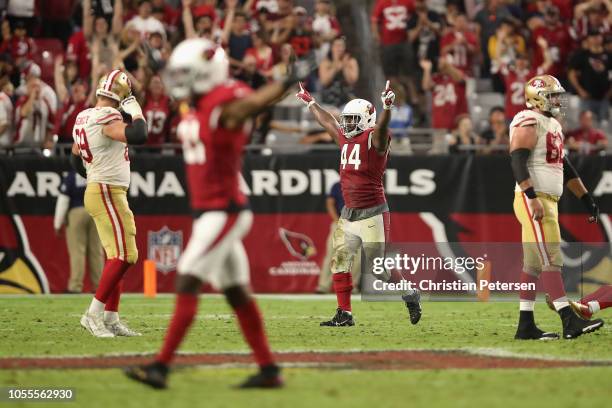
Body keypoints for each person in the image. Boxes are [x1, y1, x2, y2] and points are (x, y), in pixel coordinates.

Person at [124, 37, 311, 390]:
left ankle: (159, 367)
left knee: (188, 278)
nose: (178, 81)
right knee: (237, 293)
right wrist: (159, 64)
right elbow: (185, 85)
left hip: (224, 210)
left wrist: (285, 82)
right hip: (212, 210)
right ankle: (269, 370)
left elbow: (251, 104)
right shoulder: (199, 98)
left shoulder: (226, 103)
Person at [296, 81, 422, 327]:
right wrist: (311, 102)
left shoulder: (375, 139)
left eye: (354, 120)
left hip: (373, 212)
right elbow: (328, 122)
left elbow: (382, 129)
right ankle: (345, 313)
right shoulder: (345, 138)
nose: (348, 124)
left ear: (366, 121)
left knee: (378, 269)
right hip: (349, 212)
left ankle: (410, 293)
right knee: (339, 261)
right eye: (348, 119)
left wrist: (387, 108)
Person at [509, 74, 604, 340]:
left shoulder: (552, 124)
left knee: (533, 265)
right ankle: (568, 320)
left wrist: (586, 199)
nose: (557, 100)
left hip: (546, 199)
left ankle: (525, 325)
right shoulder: (528, 119)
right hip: (534, 197)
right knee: (551, 259)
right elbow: (517, 159)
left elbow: (566, 168)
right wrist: (531, 196)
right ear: (537, 97)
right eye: (552, 95)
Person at [73, 69, 148, 338]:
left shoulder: (83, 116)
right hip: (106, 190)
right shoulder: (108, 115)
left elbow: (74, 158)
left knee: (117, 257)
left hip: (101, 188)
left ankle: (111, 318)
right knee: (126, 256)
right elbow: (139, 134)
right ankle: (92, 315)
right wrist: (135, 109)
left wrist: (95, 174)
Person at [54, 171, 104, 294]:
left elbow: (63, 199)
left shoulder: (72, 175)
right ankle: (100, 286)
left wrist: (57, 223)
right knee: (96, 251)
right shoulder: (97, 172)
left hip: (76, 211)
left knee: (77, 251)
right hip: (96, 211)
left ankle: (75, 286)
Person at [568, 29, 611, 122]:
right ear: (588, 39)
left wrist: (610, 91)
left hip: (604, 98)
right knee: (587, 125)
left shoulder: (609, 55)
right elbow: (571, 73)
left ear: (601, 38)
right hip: (587, 98)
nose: (595, 39)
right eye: (593, 37)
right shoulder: (582, 55)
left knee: (604, 126)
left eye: (597, 36)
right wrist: (580, 90)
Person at [420, 56, 468, 130]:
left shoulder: (456, 76)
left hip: (456, 122)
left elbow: (460, 78)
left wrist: (447, 65)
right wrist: (427, 69)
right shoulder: (437, 78)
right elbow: (425, 86)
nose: (440, 62)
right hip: (439, 121)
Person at [319, 36, 359, 108]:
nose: (339, 49)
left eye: (342, 46)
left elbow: (352, 81)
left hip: (346, 102)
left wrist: (344, 66)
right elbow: (324, 82)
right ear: (332, 47)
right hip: (328, 102)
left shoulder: (351, 61)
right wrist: (335, 65)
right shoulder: (325, 62)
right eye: (337, 46)